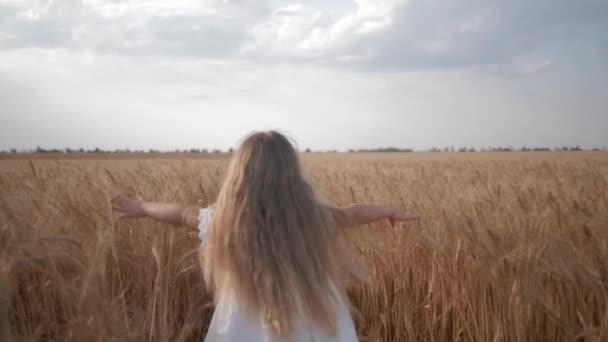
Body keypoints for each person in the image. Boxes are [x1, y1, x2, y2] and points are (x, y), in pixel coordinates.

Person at [111, 131, 418, 342]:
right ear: (291, 173)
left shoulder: (225, 220)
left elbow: (180, 214)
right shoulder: (312, 216)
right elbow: (353, 213)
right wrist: (389, 211)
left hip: (243, 324)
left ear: (239, 175)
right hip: (313, 317)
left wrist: (141, 207)